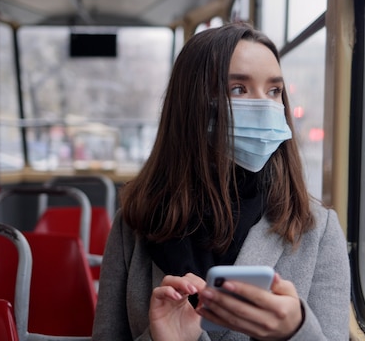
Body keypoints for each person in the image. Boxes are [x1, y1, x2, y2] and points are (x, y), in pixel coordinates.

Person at [92, 22, 350, 341]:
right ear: (194, 105)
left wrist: (295, 332)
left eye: (274, 91)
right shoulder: (135, 224)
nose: (265, 106)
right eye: (238, 89)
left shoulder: (316, 228)